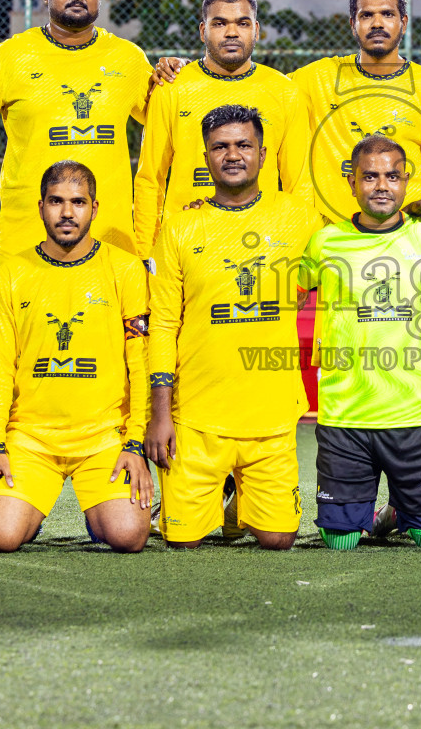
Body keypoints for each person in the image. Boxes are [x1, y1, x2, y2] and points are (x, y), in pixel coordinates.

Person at [144, 105, 318, 549]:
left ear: (263, 154)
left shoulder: (299, 217)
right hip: (196, 418)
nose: (233, 155)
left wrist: (419, 214)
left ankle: (240, 501)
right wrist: (160, 413)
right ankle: (219, 497)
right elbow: (162, 323)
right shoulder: (179, 227)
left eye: (244, 145)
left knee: (279, 540)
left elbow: (355, 247)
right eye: (220, 147)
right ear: (205, 157)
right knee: (183, 542)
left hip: (270, 417)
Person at [298, 135, 421, 549]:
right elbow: (290, 291)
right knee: (340, 542)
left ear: (406, 181)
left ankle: (399, 507)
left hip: (418, 416)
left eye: (392, 176)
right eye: (370, 177)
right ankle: (383, 506)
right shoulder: (325, 241)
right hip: (346, 417)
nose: (382, 185)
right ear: (351, 182)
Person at [0, 161, 153, 553]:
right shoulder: (13, 272)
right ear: (41, 207)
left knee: (128, 536)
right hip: (31, 438)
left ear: (94, 208)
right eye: (56, 201)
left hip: (104, 437)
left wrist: (135, 442)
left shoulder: (124, 268)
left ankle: (100, 515)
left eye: (78, 202)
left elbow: (140, 363)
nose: (67, 212)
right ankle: (29, 512)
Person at [0, 0, 181, 262]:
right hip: (27, 243)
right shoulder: (10, 57)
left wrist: (179, 73)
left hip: (109, 243)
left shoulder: (127, 59)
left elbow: (172, 121)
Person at [132, 0, 309, 259]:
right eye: (219, 23)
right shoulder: (172, 88)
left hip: (260, 245)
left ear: (256, 30)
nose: (231, 32)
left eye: (242, 23)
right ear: (203, 31)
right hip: (186, 248)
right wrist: (146, 254)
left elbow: (299, 185)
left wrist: (298, 248)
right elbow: (150, 179)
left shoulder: (284, 92)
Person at [291, 0, 421, 228]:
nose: (377, 23)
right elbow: (264, 92)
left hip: (407, 233)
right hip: (338, 234)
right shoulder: (316, 79)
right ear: (353, 24)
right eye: (367, 15)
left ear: (403, 22)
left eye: (387, 14)